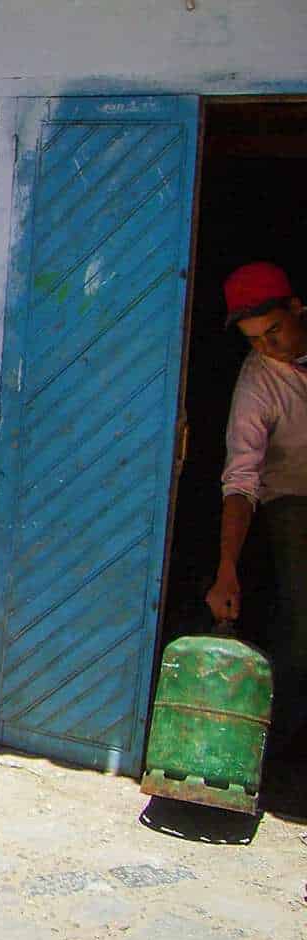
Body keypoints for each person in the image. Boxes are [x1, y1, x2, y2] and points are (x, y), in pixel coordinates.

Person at [206, 262, 307, 756]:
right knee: (300, 616)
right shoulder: (256, 385)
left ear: (296, 308)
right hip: (293, 500)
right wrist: (227, 570)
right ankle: (285, 754)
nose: (270, 348)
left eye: (274, 331)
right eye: (255, 341)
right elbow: (241, 481)